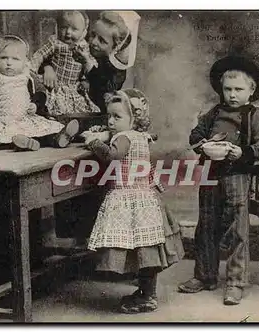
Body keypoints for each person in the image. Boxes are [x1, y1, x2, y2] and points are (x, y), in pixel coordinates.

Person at [177, 55, 259, 305]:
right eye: (228, 89)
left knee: (237, 230)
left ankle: (235, 282)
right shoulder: (214, 113)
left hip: (237, 175)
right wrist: (202, 145)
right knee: (206, 226)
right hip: (210, 173)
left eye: (238, 89)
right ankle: (205, 276)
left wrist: (244, 152)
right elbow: (196, 134)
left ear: (251, 91)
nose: (232, 94)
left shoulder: (254, 115)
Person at [82, 88, 184, 314]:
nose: (111, 121)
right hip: (144, 196)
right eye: (109, 116)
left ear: (133, 118)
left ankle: (148, 296)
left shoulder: (124, 137)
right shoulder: (141, 136)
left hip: (130, 198)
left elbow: (111, 155)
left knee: (140, 248)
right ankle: (146, 292)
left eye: (117, 117)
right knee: (144, 249)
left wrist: (92, 142)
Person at [0, 34, 79, 150]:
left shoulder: (28, 76)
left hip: (24, 119)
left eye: (15, 59)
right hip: (3, 121)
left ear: (25, 61)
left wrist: (36, 105)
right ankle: (22, 144)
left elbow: (41, 92)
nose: (9, 62)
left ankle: (57, 138)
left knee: (41, 130)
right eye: (3, 58)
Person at [42, 11, 140, 113]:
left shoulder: (116, 71)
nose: (93, 42)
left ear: (115, 47)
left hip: (92, 113)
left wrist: (88, 65)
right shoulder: (83, 47)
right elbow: (56, 55)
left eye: (102, 41)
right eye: (93, 35)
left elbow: (103, 96)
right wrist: (48, 67)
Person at [29, 10, 101, 116]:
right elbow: (40, 55)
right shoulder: (56, 43)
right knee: (52, 105)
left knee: (76, 108)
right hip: (56, 84)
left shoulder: (84, 48)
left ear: (84, 32)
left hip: (73, 87)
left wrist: (86, 80)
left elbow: (90, 64)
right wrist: (31, 69)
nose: (68, 32)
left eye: (74, 29)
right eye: (63, 27)